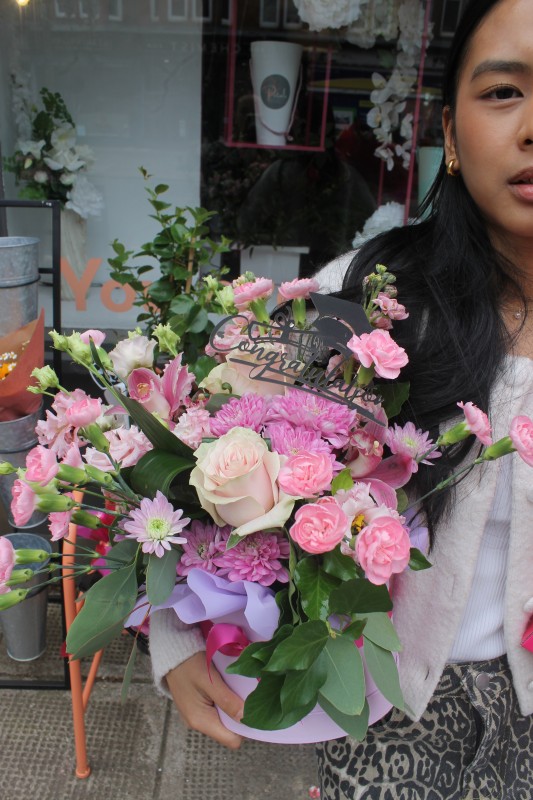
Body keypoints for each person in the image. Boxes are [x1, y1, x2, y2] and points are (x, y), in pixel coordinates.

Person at [149, 0, 533, 796]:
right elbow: (211, 450)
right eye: (503, 92)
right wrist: (171, 637)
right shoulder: (365, 302)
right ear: (451, 134)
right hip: (388, 713)